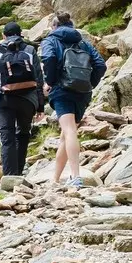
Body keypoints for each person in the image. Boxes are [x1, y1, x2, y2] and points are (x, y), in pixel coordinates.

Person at [38, 13, 105, 189]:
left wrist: (50, 83)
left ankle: (75, 176)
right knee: (65, 135)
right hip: (82, 92)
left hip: (62, 89)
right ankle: (55, 179)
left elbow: (50, 59)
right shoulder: (83, 43)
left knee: (69, 131)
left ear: (54, 26)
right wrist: (90, 83)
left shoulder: (50, 41)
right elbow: (100, 65)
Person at [0, 21, 43, 178]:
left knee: (7, 136)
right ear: (21, 34)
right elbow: (39, 79)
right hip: (28, 99)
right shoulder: (29, 50)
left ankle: (9, 176)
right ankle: (19, 172)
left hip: (4, 100)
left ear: (3, 36)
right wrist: (40, 105)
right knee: (23, 134)